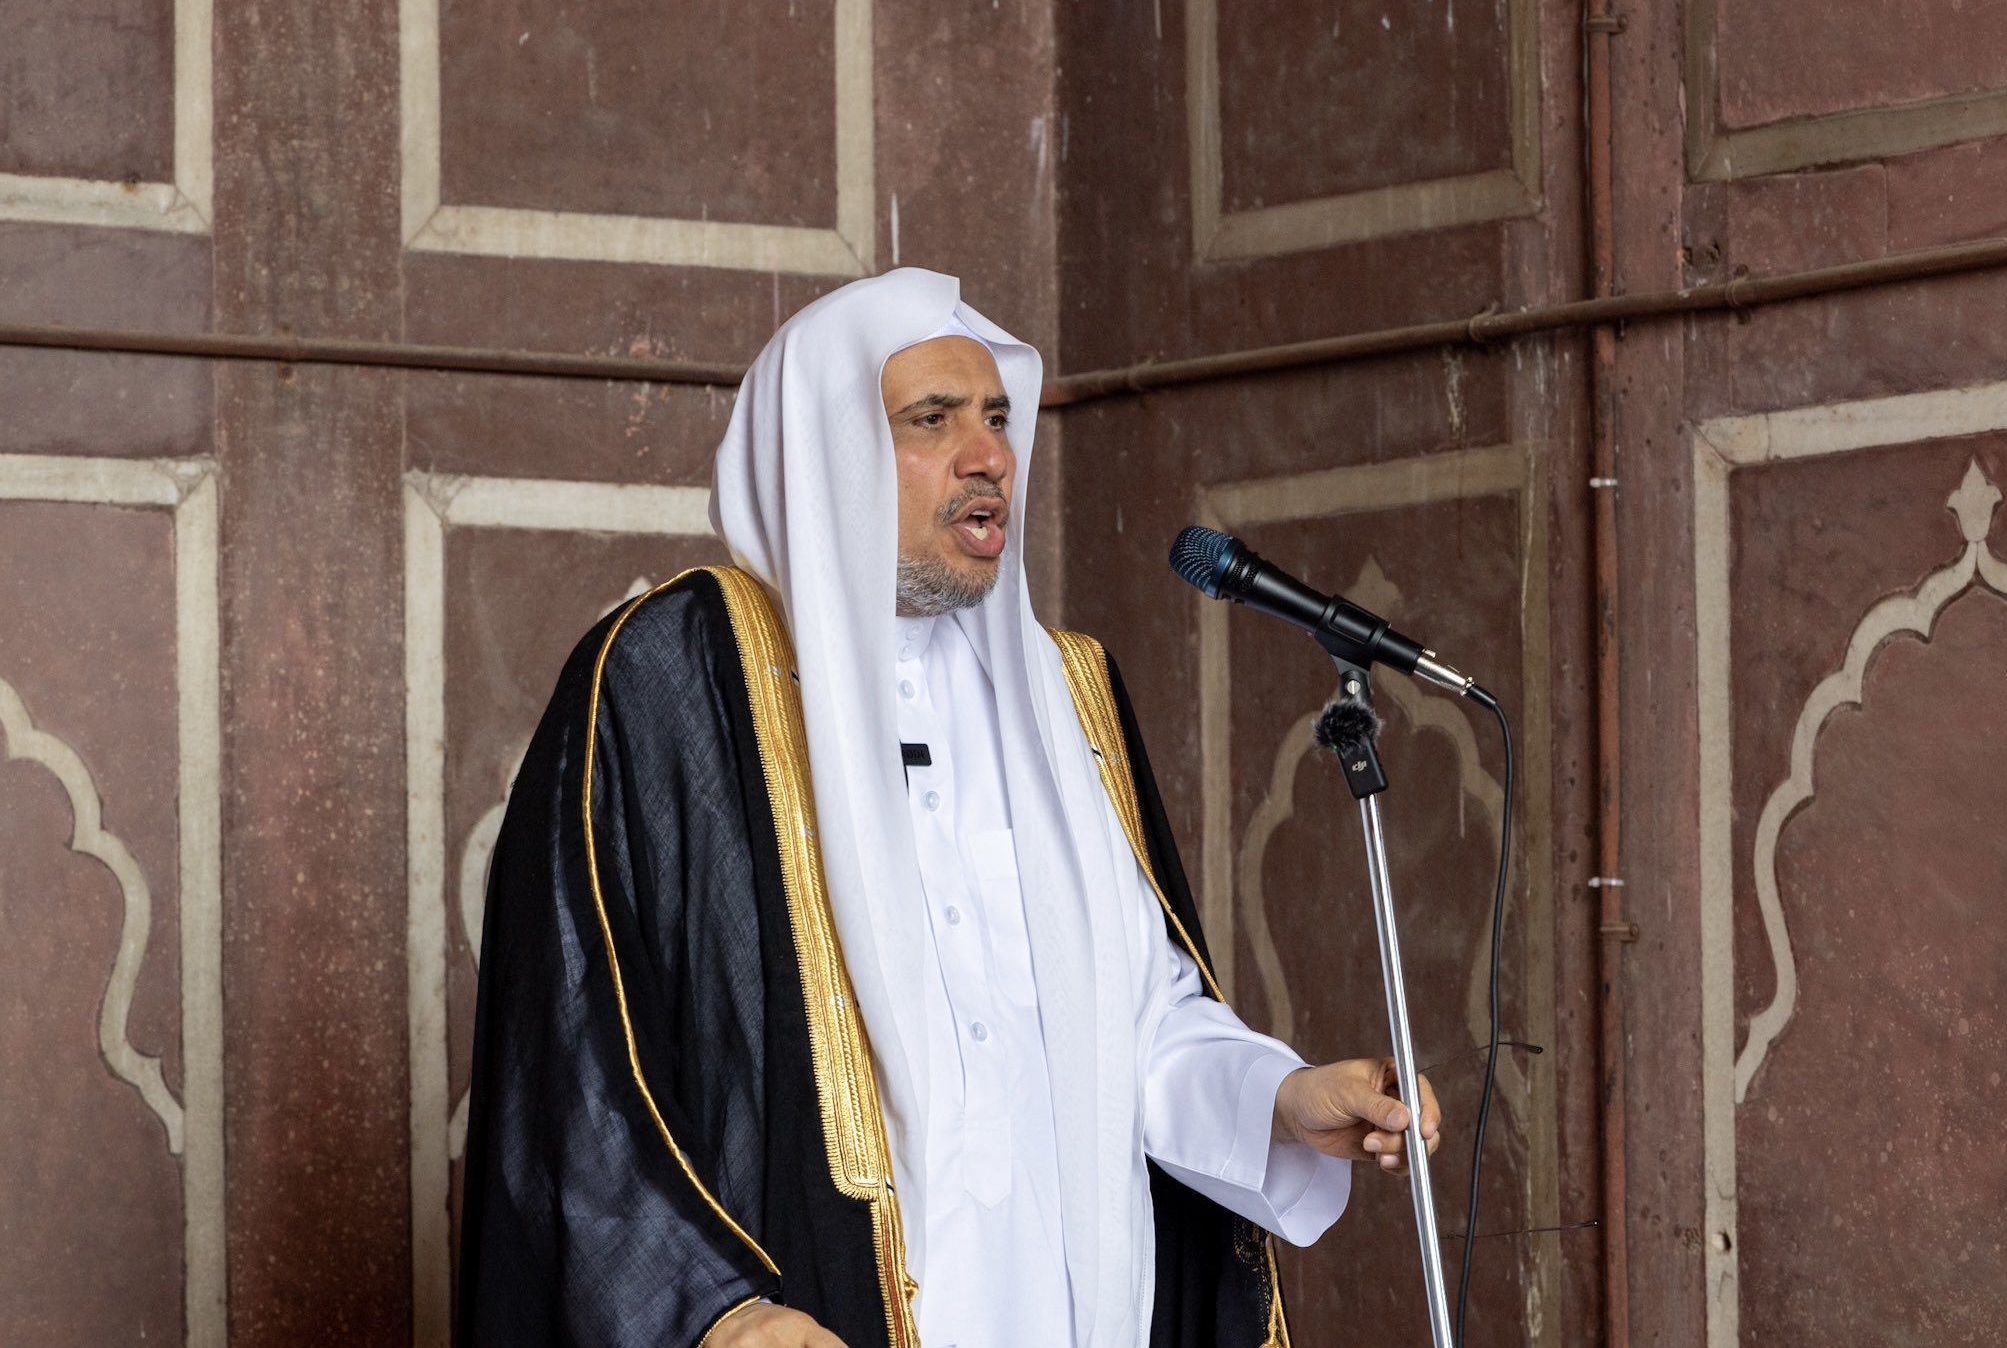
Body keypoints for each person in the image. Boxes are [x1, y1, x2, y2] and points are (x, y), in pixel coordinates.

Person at [457, 268, 1440, 1348]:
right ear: (824, 445)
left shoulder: (1064, 692)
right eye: (932, 419)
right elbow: (569, 1059)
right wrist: (715, 1312)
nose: (989, 457)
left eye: (998, 419)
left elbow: (1135, 1028)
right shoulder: (676, 676)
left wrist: (1277, 1098)